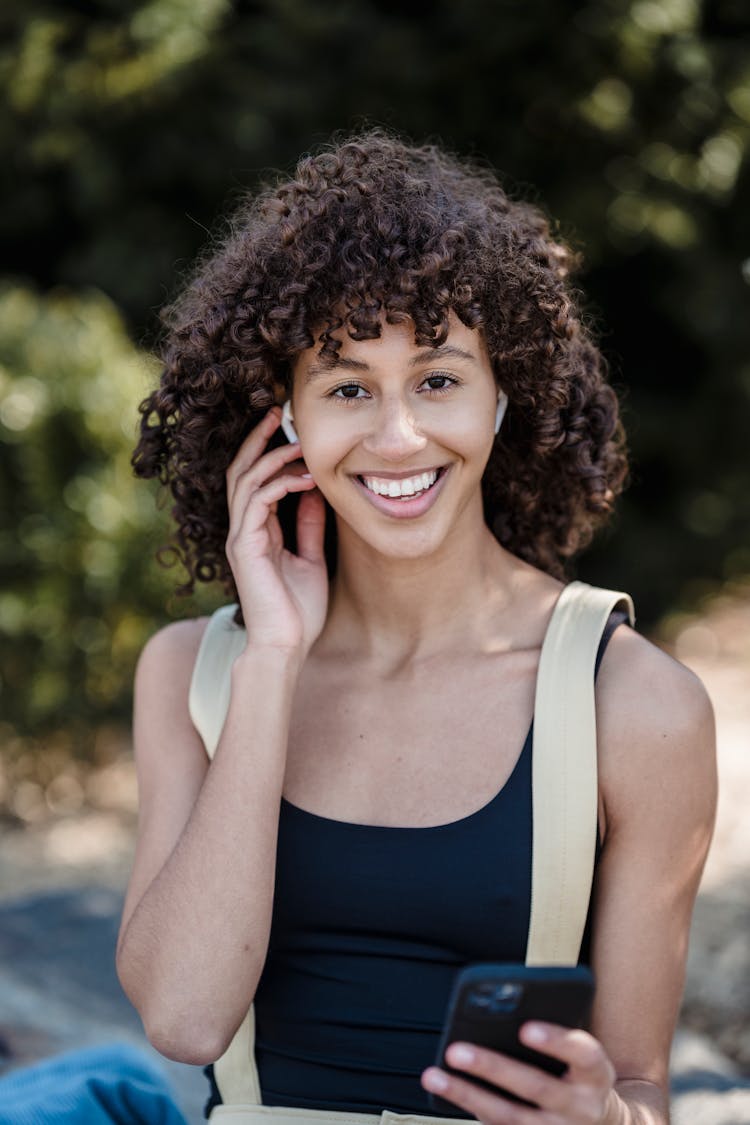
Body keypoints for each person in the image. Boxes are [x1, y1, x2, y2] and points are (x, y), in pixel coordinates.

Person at [116, 129, 717, 1125]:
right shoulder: (196, 672)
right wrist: (270, 658)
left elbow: (639, 1082)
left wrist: (607, 1116)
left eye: (438, 379)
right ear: (288, 422)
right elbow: (184, 1020)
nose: (399, 436)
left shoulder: (637, 705)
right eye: (348, 388)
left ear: (501, 396)